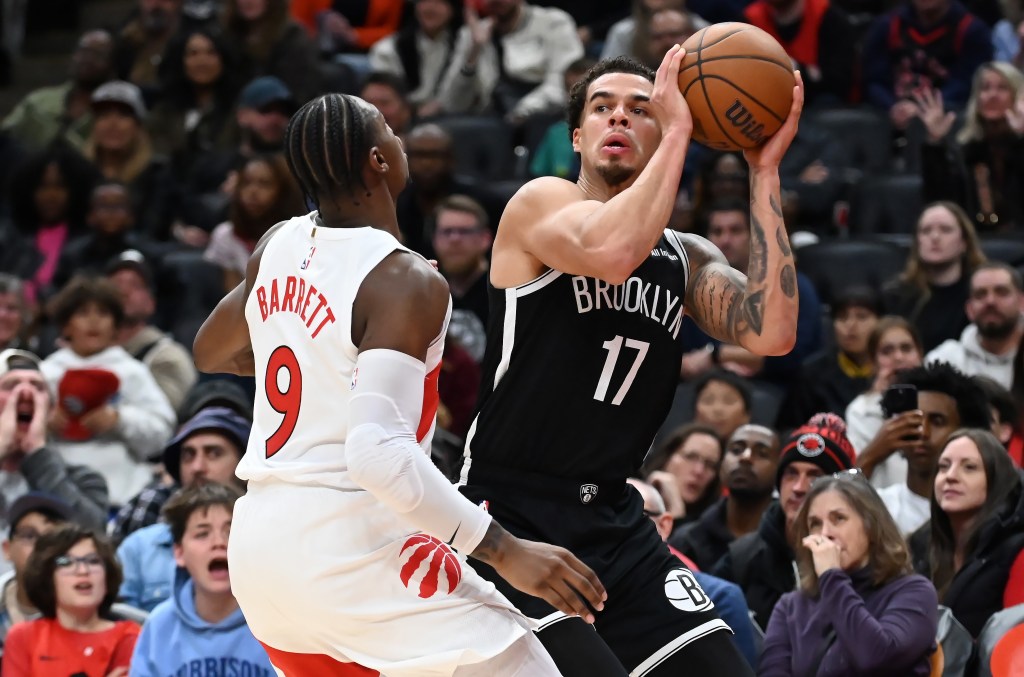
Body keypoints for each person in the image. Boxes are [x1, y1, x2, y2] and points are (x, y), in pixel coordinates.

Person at [192, 91, 607, 675]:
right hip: (350, 546)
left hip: (261, 555)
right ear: (378, 161)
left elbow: (211, 349)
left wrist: (319, 362)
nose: (400, 137)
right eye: (389, 129)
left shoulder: (277, 245)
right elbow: (377, 456)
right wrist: (507, 554)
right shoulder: (401, 279)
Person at [758, 472, 939, 676]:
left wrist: (831, 577)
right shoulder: (791, 605)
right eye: (815, 524)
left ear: (871, 526)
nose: (825, 533)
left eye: (839, 519)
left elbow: (875, 657)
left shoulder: (914, 592)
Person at [713, 413, 857, 631]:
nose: (799, 488)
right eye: (791, 474)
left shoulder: (858, 558)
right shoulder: (742, 557)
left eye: (815, 477)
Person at [41, 277, 176, 505]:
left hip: (121, 496)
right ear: (66, 326)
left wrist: (119, 420)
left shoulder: (132, 372)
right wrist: (43, 424)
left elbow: (163, 432)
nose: (94, 321)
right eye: (83, 313)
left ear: (115, 325)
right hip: (56, 495)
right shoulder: (45, 374)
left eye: (103, 313)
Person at [128, 483, 275, 676]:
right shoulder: (160, 625)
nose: (219, 543)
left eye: (230, 532)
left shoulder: (275, 620)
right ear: (179, 552)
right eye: (202, 534)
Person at [116, 407, 250, 610]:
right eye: (188, 455)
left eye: (214, 453)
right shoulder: (138, 548)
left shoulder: (270, 541)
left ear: (245, 464)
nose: (197, 467)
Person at [627, 477, 758, 668]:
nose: (619, 525)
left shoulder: (719, 597)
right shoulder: (579, 591)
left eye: (634, 513)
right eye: (606, 514)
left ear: (664, 525)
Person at [909, 428, 1024, 637]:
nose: (950, 476)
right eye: (943, 467)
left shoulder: (1016, 550)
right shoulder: (918, 546)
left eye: (969, 468)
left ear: (996, 481)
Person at [1, 524, 139, 676]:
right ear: (47, 576)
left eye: (93, 561)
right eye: (66, 562)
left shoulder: (130, 636)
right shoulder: (23, 637)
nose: (83, 571)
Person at [0, 349, 109, 539]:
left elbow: (91, 538)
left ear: (50, 411)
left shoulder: (84, 480)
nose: (26, 394)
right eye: (11, 385)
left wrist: (37, 454)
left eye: (38, 387)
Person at [875, 362, 992, 535]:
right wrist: (871, 455)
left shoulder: (987, 512)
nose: (923, 432)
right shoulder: (879, 505)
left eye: (937, 421)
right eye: (914, 420)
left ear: (966, 431)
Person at [915, 61, 1024, 231]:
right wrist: (934, 143)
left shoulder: (1020, 145)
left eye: (1002, 88)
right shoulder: (966, 150)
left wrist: (1021, 139)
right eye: (985, 88)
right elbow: (940, 202)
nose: (992, 95)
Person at [438, 0, 585, 123]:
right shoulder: (471, 34)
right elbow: (452, 104)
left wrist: (522, 111)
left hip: (544, 116)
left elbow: (568, 84)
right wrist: (474, 51)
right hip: (492, 120)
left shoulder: (553, 22)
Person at [861, 0, 992, 132]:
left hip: (947, 114)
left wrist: (923, 109)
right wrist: (892, 107)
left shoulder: (971, 30)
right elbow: (874, 80)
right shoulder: (887, 25)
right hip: (890, 113)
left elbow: (965, 84)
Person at [671, 424, 782, 571]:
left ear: (780, 469)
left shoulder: (787, 542)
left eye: (761, 453)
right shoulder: (687, 539)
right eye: (736, 450)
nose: (745, 457)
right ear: (722, 464)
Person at [882, 201, 987, 352]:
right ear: (918, 242)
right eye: (926, 231)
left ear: (964, 242)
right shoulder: (896, 296)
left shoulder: (984, 293)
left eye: (945, 230)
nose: (935, 237)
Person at [106, 250, 198, 413]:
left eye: (135, 285)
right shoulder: (79, 350)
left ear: (151, 303)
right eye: (116, 285)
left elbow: (166, 418)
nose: (123, 291)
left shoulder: (167, 356)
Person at [778, 286, 880, 429]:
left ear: (881, 323)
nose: (851, 325)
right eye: (842, 317)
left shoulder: (891, 372)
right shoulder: (812, 373)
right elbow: (788, 430)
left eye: (862, 316)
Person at [0, 30, 115, 152]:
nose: (88, 59)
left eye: (98, 54)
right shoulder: (38, 102)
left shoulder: (113, 113)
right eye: (83, 51)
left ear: (112, 65)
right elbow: (6, 134)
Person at [845, 316, 925, 488]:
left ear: (920, 354)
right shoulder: (861, 410)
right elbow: (850, 478)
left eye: (906, 348)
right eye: (887, 351)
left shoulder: (940, 403)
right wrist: (879, 447)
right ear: (873, 363)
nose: (898, 357)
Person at [926, 262, 1024, 389]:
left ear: (1022, 302)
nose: (990, 301)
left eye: (1001, 292)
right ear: (969, 309)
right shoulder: (946, 361)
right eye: (980, 294)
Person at [742, 0, 856, 106]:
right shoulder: (748, 22)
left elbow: (841, 82)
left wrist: (795, 69)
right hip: (768, 104)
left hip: (818, 106)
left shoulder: (828, 16)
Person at [0, 493, 74, 650]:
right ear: (7, 549)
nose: (41, 545)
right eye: (29, 535)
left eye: (52, 538)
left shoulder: (88, 610)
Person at [368, 0, 462, 118]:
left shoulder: (464, 45)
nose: (430, 7)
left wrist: (439, 105)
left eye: (440, 2)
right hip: (403, 118)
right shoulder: (387, 50)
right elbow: (385, 99)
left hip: (449, 116)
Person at [641, 423, 722, 528]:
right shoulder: (631, 496)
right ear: (668, 457)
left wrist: (676, 508)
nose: (699, 471)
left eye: (710, 464)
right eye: (690, 457)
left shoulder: (712, 528)